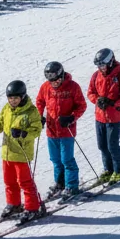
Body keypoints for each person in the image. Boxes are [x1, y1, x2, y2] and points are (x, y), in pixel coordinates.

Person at [0, 80, 44, 221]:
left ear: (22, 96)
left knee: (25, 182)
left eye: (15, 98)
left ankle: (32, 207)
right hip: (7, 153)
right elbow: (0, 125)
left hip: (22, 153)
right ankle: (14, 204)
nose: (12, 101)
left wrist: (23, 133)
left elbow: (37, 130)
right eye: (10, 98)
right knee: (9, 181)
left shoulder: (31, 111)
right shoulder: (6, 109)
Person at [35, 61, 86, 200]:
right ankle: (60, 182)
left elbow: (81, 105)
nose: (54, 83)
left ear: (62, 75)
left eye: (56, 80)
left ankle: (72, 185)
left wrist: (71, 118)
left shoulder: (73, 87)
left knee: (67, 159)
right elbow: (39, 101)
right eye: (51, 81)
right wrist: (39, 116)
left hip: (66, 130)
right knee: (56, 159)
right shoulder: (46, 87)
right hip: (52, 130)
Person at [88, 49, 120, 182]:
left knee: (112, 144)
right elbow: (90, 92)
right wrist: (97, 100)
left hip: (114, 117)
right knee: (102, 145)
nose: (101, 68)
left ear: (110, 62)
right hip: (100, 116)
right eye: (99, 66)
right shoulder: (96, 76)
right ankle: (109, 169)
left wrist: (113, 102)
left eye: (103, 65)